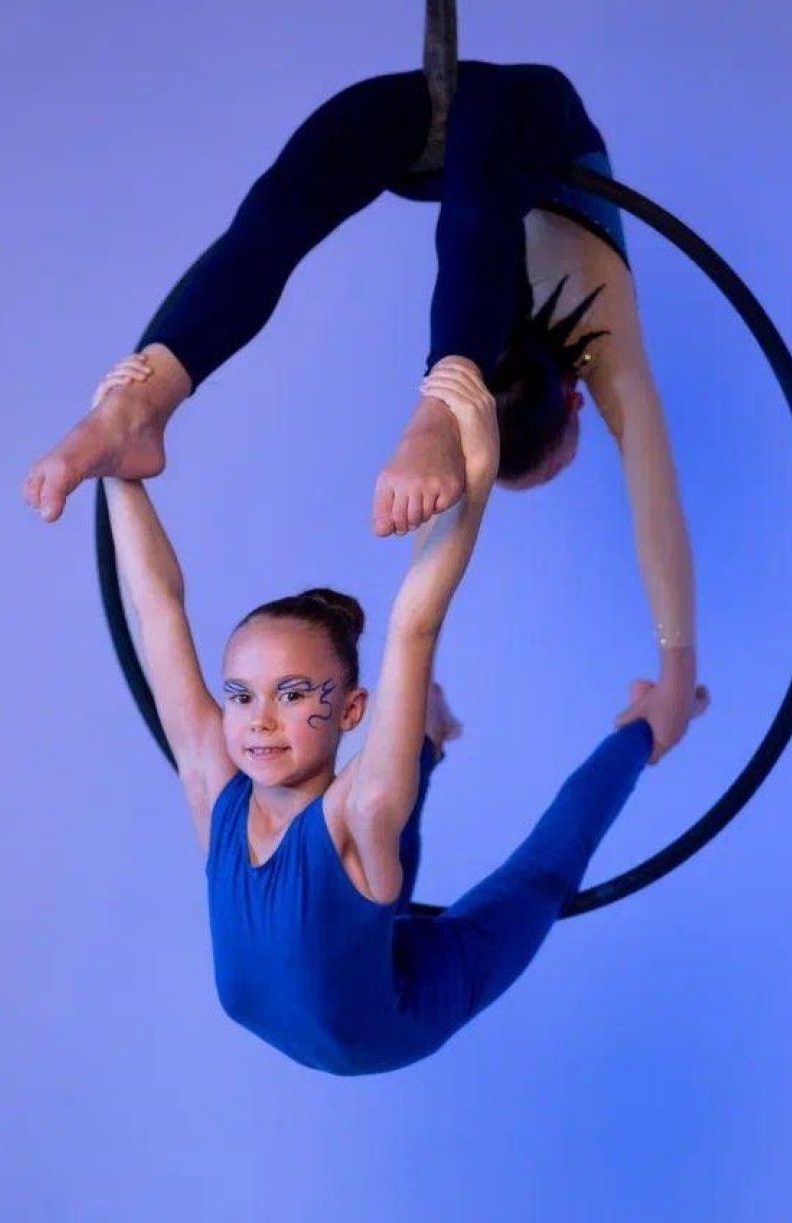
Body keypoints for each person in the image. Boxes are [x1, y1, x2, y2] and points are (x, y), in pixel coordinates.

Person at [23, 58, 704, 762]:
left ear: (571, 401)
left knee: (285, 207)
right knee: (469, 222)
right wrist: (676, 678)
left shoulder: (586, 351)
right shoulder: (605, 346)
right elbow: (655, 501)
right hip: (521, 121)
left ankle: (148, 393)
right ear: (571, 396)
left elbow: (454, 518)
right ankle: (440, 406)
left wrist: (421, 687)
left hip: (444, 143)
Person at [100, 357, 709, 1075]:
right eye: (240, 695)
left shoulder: (357, 808)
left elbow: (413, 626)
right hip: (358, 923)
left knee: (538, 876)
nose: (258, 720)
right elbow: (157, 608)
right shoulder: (214, 787)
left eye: (292, 694)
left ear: (351, 709)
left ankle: (651, 722)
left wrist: (476, 471)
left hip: (406, 1011)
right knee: (380, 837)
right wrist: (118, 463)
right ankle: (427, 732)